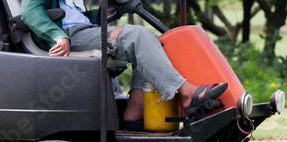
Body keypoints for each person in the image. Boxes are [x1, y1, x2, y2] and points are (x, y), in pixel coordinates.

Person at [20, 0, 227, 129]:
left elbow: (82, 18)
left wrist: (113, 9)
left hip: (83, 31)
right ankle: (186, 93)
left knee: (157, 41)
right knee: (137, 35)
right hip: (68, 37)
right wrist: (57, 36)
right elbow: (30, 12)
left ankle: (135, 109)